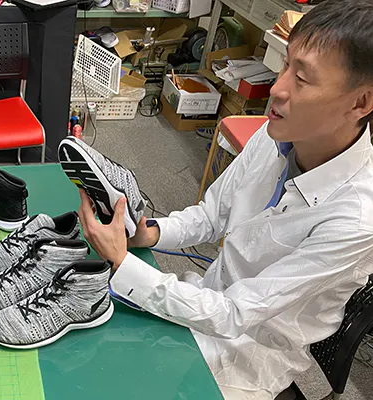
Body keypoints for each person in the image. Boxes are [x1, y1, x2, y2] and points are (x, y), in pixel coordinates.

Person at [80, 1, 373, 399]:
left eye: (302, 78)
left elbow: (236, 315)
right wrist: (151, 233)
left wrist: (122, 262)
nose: (277, 88)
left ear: (360, 103)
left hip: (250, 353)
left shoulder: (356, 218)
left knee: (109, 381)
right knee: (90, 333)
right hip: (206, 301)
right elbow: (211, 215)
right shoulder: (277, 134)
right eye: (285, 65)